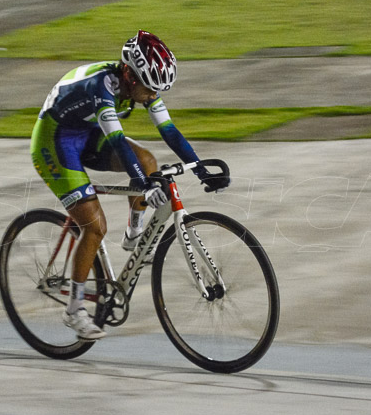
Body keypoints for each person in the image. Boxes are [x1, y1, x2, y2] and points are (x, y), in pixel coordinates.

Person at [31, 30, 230, 339]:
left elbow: (170, 131)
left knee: (148, 162)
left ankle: (133, 234)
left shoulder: (140, 84)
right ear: (130, 77)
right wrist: (143, 185)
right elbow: (118, 142)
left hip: (86, 133)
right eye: (150, 89)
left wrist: (201, 169)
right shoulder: (102, 87)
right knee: (95, 227)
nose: (154, 96)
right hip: (55, 141)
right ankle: (74, 311)